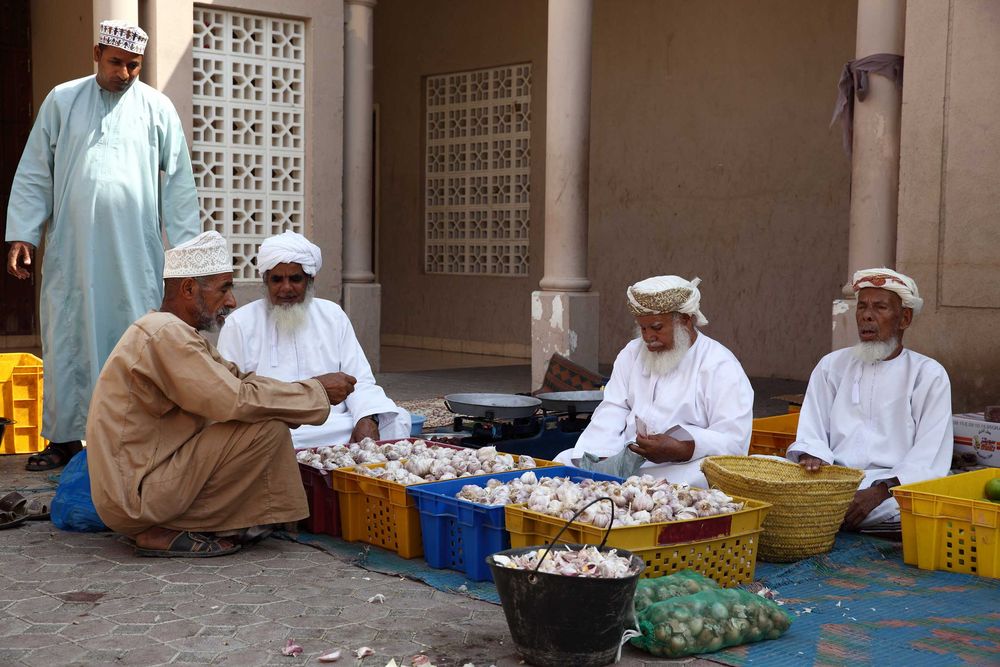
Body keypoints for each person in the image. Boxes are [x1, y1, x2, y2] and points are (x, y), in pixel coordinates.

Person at [86, 231, 357, 557]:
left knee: (268, 421)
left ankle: (237, 519)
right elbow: (233, 399)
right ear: (188, 289)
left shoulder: (172, 332)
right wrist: (316, 392)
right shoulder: (165, 334)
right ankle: (162, 529)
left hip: (146, 483)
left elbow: (240, 382)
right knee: (263, 427)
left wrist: (310, 390)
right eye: (224, 288)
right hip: (137, 497)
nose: (231, 301)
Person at [5, 20, 200, 471]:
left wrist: (188, 255)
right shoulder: (63, 99)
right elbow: (36, 169)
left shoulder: (157, 107)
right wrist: (23, 232)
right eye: (116, 63)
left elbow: (180, 186)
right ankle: (66, 439)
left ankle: (137, 436)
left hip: (135, 253)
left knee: (134, 337)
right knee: (68, 338)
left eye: (134, 65)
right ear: (97, 53)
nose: (125, 73)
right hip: (73, 252)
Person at [786, 268, 953, 532]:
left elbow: (928, 458)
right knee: (768, 473)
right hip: (833, 481)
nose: (866, 315)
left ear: (904, 318)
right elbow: (812, 429)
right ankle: (830, 513)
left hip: (892, 489)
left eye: (880, 307)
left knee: (920, 505)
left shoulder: (928, 374)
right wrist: (811, 455)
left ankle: (826, 516)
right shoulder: (832, 365)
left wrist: (878, 492)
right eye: (862, 306)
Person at [555, 276, 754, 487]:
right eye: (643, 328)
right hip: (626, 456)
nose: (648, 337)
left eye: (657, 328)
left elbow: (734, 441)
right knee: (564, 461)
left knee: (699, 479)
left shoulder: (720, 365)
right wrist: (603, 455)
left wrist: (683, 449)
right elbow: (613, 408)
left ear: (686, 320)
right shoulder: (631, 353)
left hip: (683, 466)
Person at [216, 231, 410, 448]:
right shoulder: (240, 324)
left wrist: (367, 418)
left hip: (334, 424)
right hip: (275, 426)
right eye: (277, 279)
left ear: (310, 280)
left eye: (295, 279)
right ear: (266, 281)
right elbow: (229, 395)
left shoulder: (332, 315)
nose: (286, 288)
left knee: (397, 419)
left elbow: (360, 380)